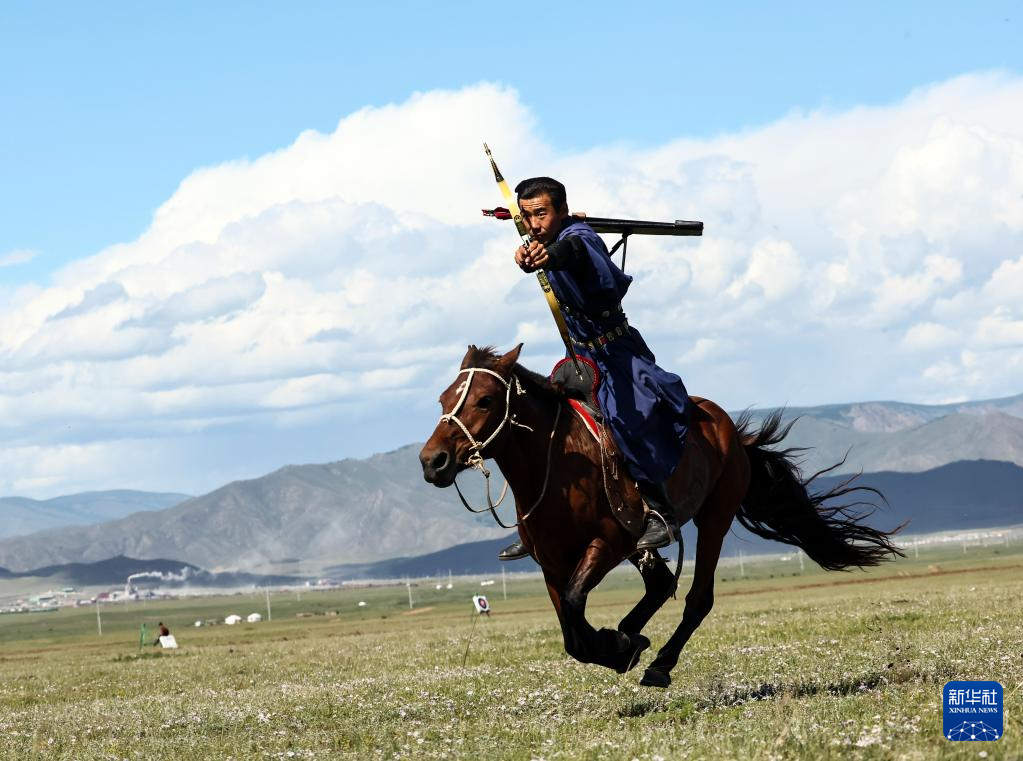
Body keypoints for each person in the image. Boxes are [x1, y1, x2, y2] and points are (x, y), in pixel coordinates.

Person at [498, 177, 690, 561]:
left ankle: (661, 513)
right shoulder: (555, 234)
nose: (534, 224)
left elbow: (573, 251)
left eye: (542, 213)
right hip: (580, 357)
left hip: (618, 353)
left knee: (627, 421)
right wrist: (534, 252)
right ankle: (539, 524)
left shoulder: (579, 239)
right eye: (527, 216)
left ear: (562, 210)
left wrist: (549, 254)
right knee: (545, 424)